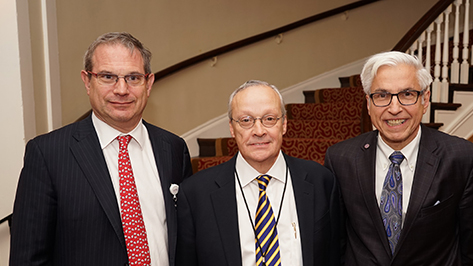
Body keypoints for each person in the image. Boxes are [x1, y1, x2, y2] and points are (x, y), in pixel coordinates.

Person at [9, 32, 192, 266]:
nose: (122, 89)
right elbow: (28, 258)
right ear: (87, 81)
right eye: (108, 77)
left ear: (149, 83)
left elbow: (188, 241)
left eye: (133, 77)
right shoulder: (48, 154)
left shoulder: (174, 149)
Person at [324, 51, 473, 265]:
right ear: (368, 103)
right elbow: (334, 242)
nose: (394, 109)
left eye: (407, 94)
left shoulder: (463, 159)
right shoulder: (340, 159)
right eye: (382, 95)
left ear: (425, 99)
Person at [176, 80, 340, 266]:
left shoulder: (321, 181)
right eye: (246, 120)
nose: (259, 131)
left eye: (269, 119)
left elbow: (335, 254)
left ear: (284, 124)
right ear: (232, 127)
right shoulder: (195, 194)